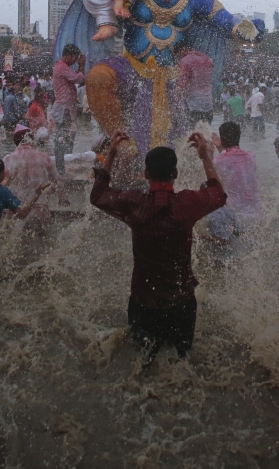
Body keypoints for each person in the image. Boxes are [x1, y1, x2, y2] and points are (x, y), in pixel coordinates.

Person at [90, 131, 227, 362]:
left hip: (144, 302)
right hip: (181, 303)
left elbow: (98, 194)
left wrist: (111, 155)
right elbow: (218, 194)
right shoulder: (186, 204)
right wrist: (205, 158)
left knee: (143, 362)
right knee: (182, 361)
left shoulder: (135, 205)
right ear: (175, 173)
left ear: (145, 175)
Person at [0, 157, 52, 256]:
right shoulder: (3, 192)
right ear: (1, 173)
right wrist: (37, 194)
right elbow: (22, 214)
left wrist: (5, 180)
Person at [205, 122, 260, 244]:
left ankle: (222, 244)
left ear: (222, 139)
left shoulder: (218, 161)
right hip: (257, 214)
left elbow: (212, 182)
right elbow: (234, 165)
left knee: (209, 207)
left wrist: (208, 154)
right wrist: (222, 149)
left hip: (237, 218)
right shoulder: (251, 156)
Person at [51, 45, 86, 172]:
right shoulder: (62, 67)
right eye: (75, 57)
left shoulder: (61, 67)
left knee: (68, 137)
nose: (76, 60)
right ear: (67, 55)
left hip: (67, 109)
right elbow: (79, 78)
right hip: (64, 109)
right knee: (62, 139)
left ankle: (64, 167)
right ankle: (61, 169)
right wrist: (82, 65)